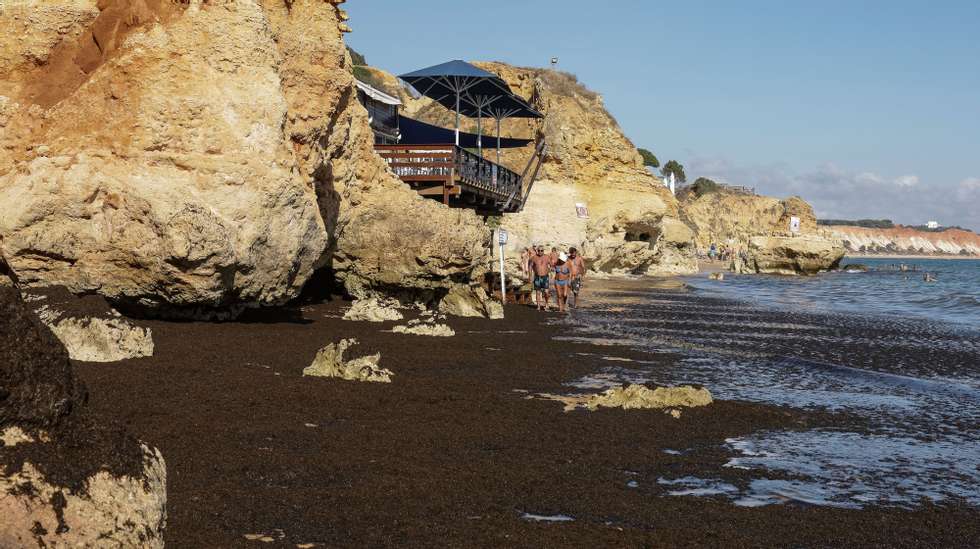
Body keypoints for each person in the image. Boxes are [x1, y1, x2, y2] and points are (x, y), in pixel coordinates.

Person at [528, 245, 553, 311]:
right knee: (538, 292)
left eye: (541, 250)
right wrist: (530, 276)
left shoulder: (547, 257)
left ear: (543, 251)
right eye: (538, 250)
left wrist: (551, 271)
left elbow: (551, 265)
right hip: (537, 277)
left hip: (545, 276)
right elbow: (530, 266)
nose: (540, 252)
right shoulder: (534, 258)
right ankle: (538, 306)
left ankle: (547, 304)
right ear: (537, 251)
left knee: (546, 292)